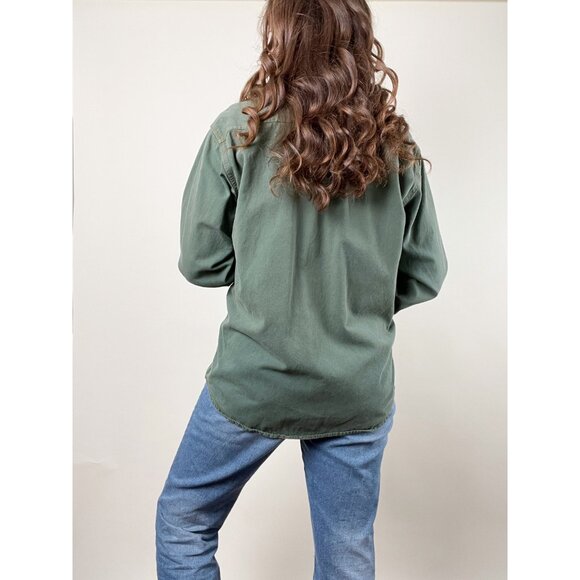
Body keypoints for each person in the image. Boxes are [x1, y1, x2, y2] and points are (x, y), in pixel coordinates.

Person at [155, 0, 448, 578]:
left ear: (281, 34)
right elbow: (425, 272)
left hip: (255, 379)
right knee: (347, 550)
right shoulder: (395, 143)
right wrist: (354, 301)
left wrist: (264, 275)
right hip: (356, 385)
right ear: (359, 38)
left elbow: (201, 261)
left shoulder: (238, 130)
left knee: (183, 519)